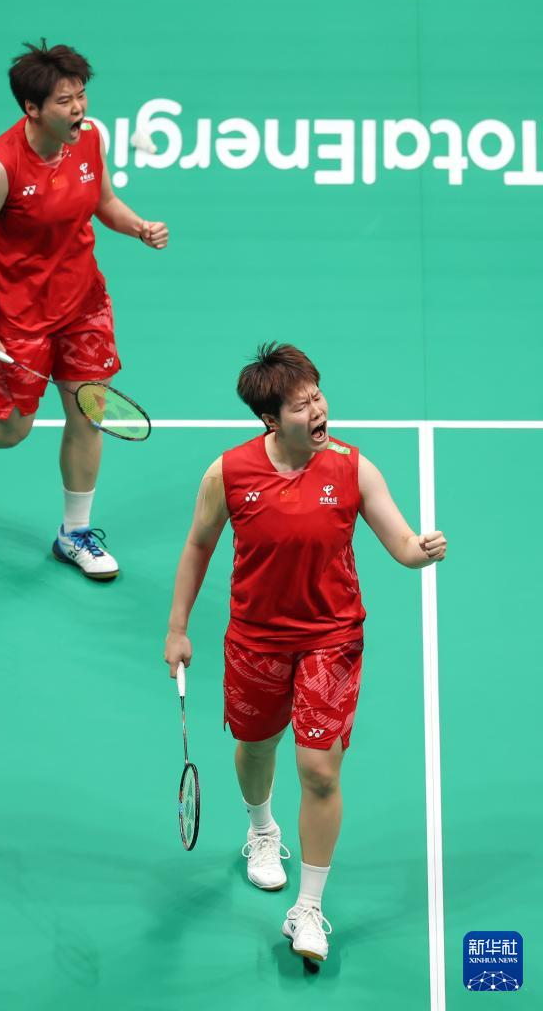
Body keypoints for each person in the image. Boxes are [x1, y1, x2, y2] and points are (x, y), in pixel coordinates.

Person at [164, 343, 447, 961]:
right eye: (301, 405)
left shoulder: (352, 468)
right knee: (256, 747)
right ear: (270, 419)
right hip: (256, 640)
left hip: (331, 639)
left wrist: (419, 550)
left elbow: (400, 543)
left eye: (318, 396)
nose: (318, 411)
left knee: (319, 770)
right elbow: (197, 546)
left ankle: (309, 909)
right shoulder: (228, 474)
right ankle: (262, 830)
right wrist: (177, 628)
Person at [0, 40, 168, 580]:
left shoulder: (90, 138)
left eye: (81, 96)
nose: (78, 110)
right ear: (31, 108)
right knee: (11, 430)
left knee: (88, 413)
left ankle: (74, 533)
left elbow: (104, 203)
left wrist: (139, 227)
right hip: (18, 316)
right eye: (64, 101)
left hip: (83, 305)